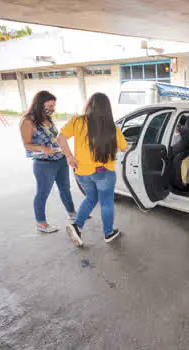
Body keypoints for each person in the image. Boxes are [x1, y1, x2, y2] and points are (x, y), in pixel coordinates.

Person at [57, 93, 127, 247]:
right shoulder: (112, 127)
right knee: (106, 203)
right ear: (107, 109)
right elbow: (125, 147)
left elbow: (60, 138)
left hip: (82, 172)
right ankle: (108, 233)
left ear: (89, 105)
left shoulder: (77, 121)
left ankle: (77, 226)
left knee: (91, 198)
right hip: (104, 173)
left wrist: (70, 157)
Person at [20, 91, 77, 233]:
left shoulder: (47, 118)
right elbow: (27, 144)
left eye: (54, 105)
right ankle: (41, 223)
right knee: (42, 193)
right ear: (40, 104)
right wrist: (42, 148)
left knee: (65, 188)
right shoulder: (27, 121)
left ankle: (72, 214)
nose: (52, 108)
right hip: (44, 164)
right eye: (50, 105)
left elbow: (55, 138)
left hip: (60, 159)